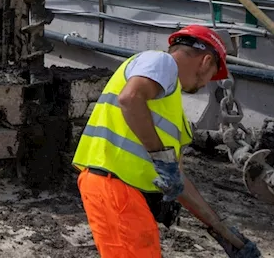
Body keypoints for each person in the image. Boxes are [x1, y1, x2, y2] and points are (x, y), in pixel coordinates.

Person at [73, 24, 261, 258]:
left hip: (126, 194)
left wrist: (221, 230)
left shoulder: (171, 110)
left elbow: (176, 180)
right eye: (212, 76)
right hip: (115, 188)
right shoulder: (161, 62)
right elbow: (130, 99)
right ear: (205, 62)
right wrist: (162, 158)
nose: (206, 84)